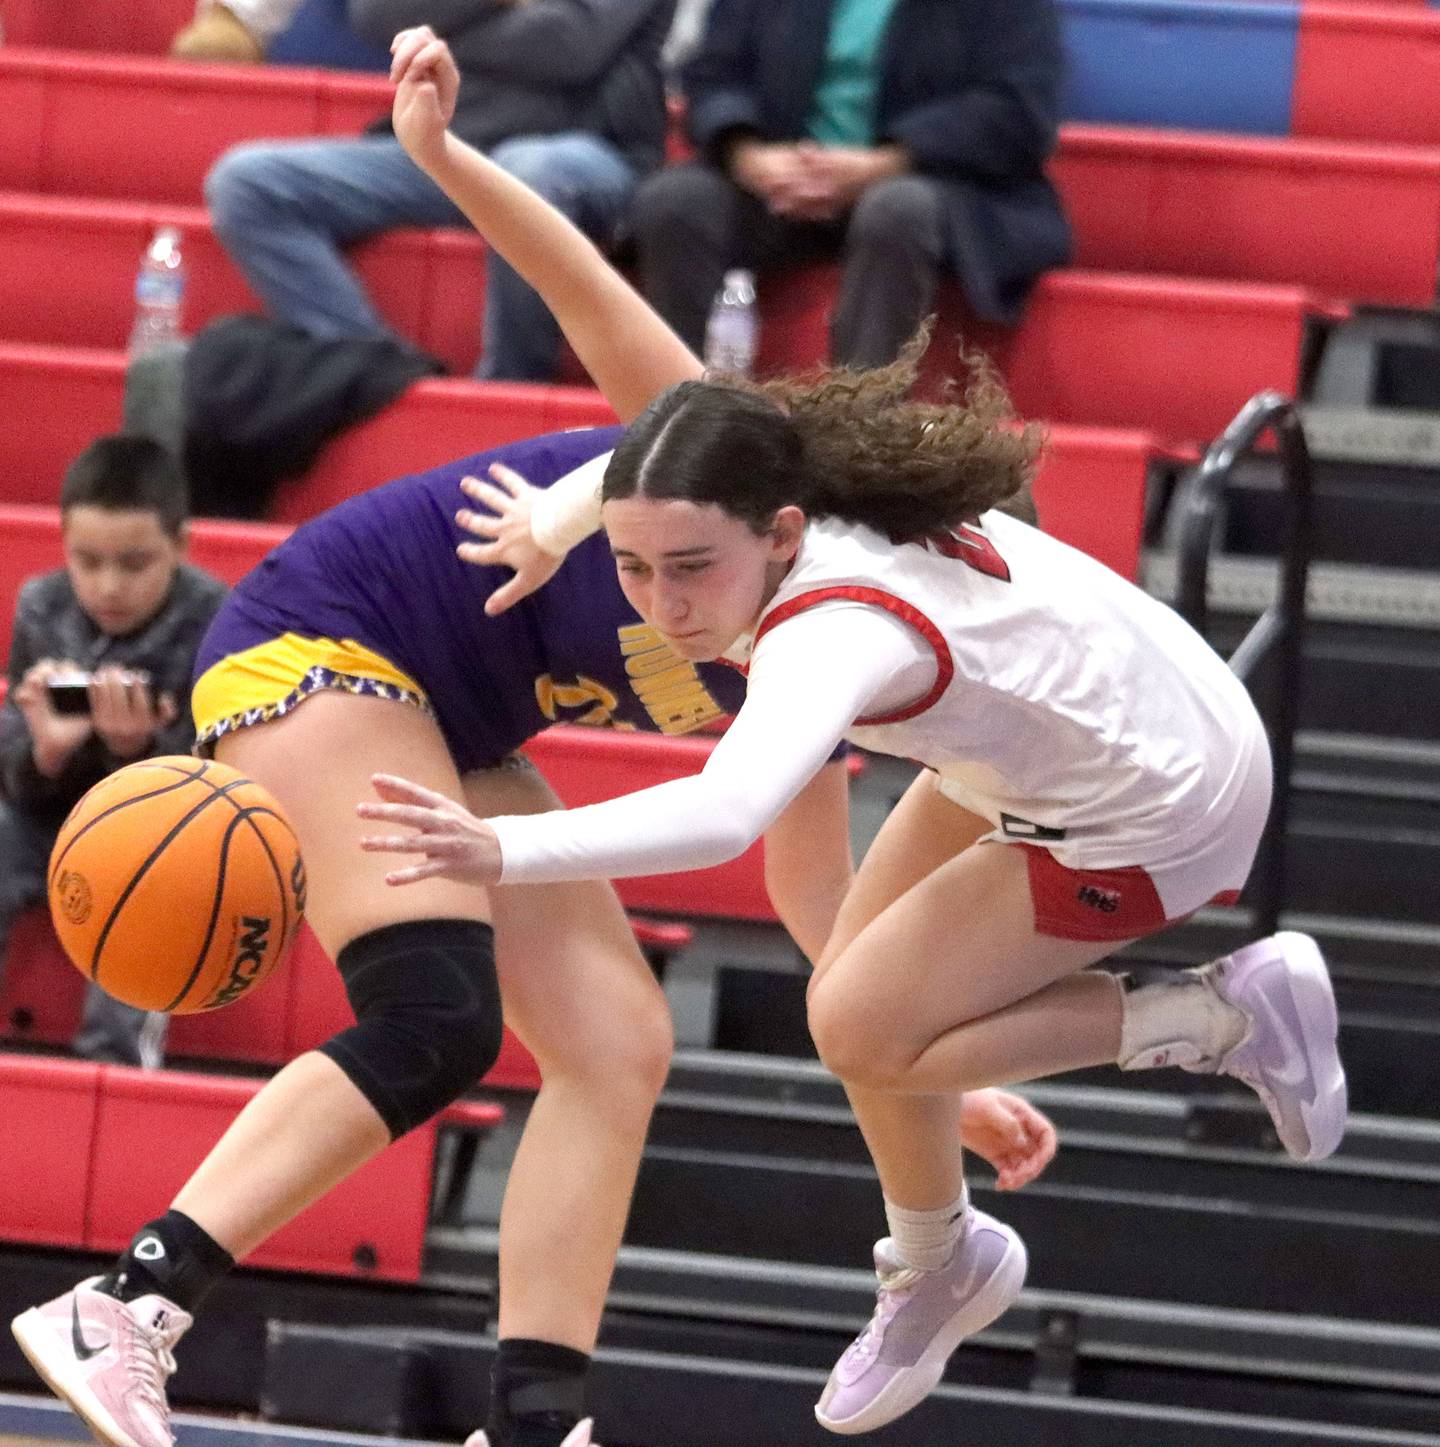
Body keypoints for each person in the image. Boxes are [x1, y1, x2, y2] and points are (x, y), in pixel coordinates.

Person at [8, 40, 1061, 1447]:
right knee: (434, 1017)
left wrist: (935, 1062)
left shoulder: (837, 655)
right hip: (327, 638)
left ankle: (530, 1418)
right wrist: (443, 157)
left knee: (618, 1043)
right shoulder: (735, 460)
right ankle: (129, 1303)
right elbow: (584, 288)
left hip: (456, 717)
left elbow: (818, 898)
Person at [348, 30, 1349, 1437]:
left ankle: (1222, 1012)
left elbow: (721, 813)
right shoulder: (766, 459)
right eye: (631, 568)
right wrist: (557, 519)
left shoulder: (831, 628)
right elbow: (641, 417)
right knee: (867, 1000)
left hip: (1164, 798)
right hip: (1089, 720)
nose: (660, 605)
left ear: (778, 536)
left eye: (687, 571)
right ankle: (939, 1260)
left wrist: (496, 847)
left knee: (859, 1019)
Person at [203, 0, 675, 384]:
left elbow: (570, 46)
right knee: (248, 182)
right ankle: (379, 372)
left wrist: (443, 36)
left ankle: (508, 392)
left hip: (590, 154)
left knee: (527, 171)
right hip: (446, 146)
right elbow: (376, 14)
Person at [631, 0, 1072, 369]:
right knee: (674, 200)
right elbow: (712, 75)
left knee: (896, 209)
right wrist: (749, 157)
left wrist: (887, 163)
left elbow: (1017, 108)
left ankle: (861, 419)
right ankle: (668, 405)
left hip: (936, 182)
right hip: (779, 180)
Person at [0, 436, 228, 1067]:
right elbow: (14, 770)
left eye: (134, 564)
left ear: (180, 546)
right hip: (51, 816)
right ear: (64, 545)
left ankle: (115, 1063)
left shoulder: (217, 620)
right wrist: (46, 753)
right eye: (87, 561)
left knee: (155, 874)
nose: (108, 586)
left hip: (157, 832)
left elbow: (216, 785)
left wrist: (138, 753)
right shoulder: (42, 605)